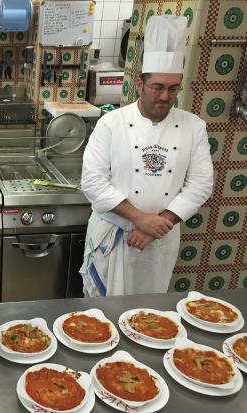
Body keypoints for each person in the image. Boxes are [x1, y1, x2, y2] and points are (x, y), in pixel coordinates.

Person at [79, 16, 213, 296]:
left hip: (158, 242)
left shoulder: (194, 127)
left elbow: (200, 185)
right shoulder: (111, 123)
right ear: (140, 84)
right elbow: (93, 182)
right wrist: (139, 218)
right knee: (99, 317)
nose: (165, 96)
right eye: (158, 87)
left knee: (149, 315)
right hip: (113, 238)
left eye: (173, 88)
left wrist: (155, 225)